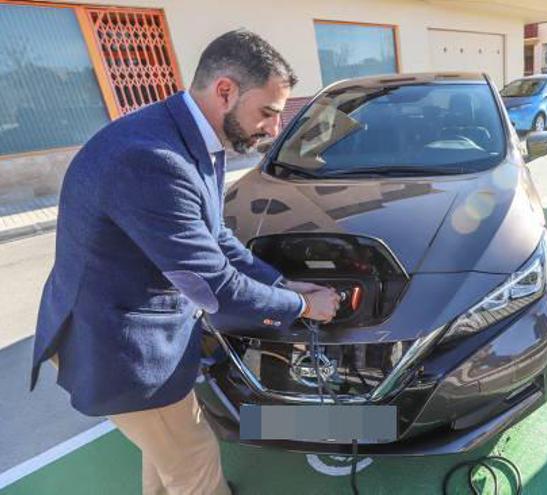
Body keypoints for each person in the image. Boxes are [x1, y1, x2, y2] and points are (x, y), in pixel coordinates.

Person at [30, 30, 341, 494]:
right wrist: (302, 309)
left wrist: (285, 285)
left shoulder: (190, 137)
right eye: (269, 113)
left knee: (170, 451)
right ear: (225, 91)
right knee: (194, 460)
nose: (275, 129)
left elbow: (215, 238)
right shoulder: (151, 159)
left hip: (134, 332)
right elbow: (211, 287)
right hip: (122, 352)